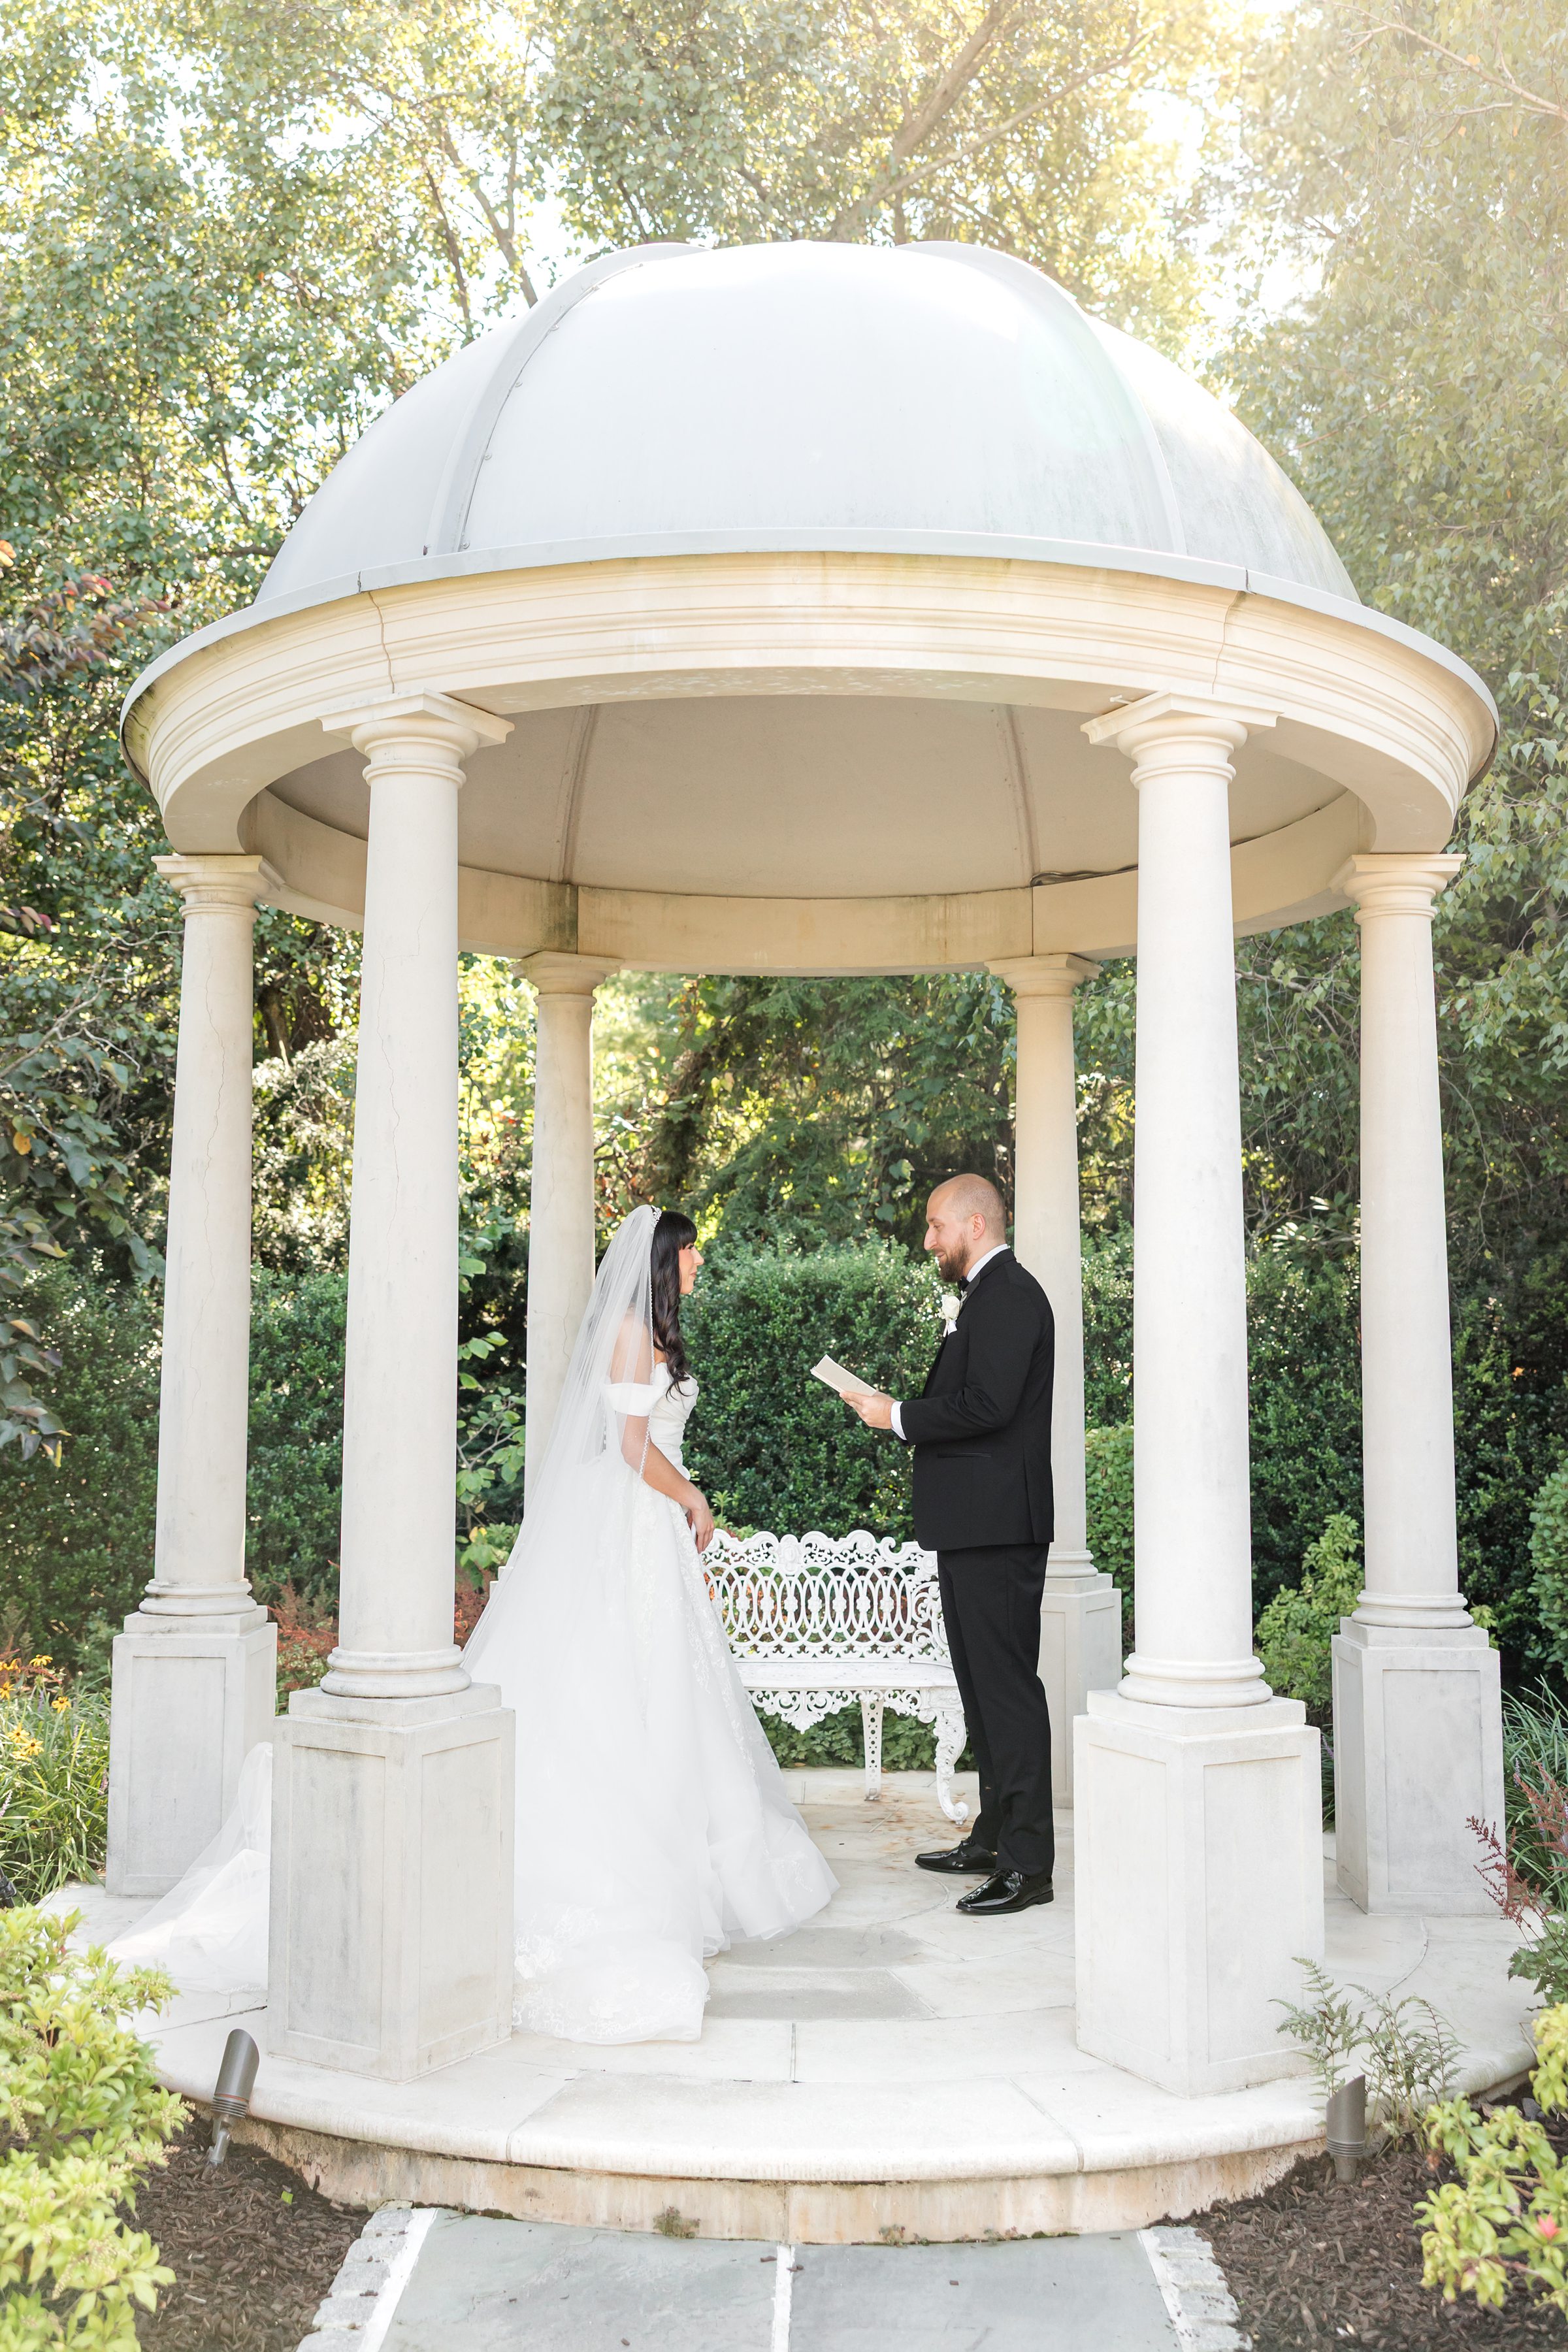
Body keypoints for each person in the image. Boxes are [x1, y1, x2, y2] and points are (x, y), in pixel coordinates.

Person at [112, 1205, 836, 2044]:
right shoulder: (635, 1330)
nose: (702, 1258)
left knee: (667, 1678)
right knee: (628, 1676)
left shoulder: (657, 1333)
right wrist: (696, 1500)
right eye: (692, 1247)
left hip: (646, 1526)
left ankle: (701, 1840)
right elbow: (635, 1447)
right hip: (635, 1517)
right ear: (665, 1259)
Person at [843, 1174, 1056, 1916]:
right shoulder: (987, 1297)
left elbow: (990, 1408)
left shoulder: (1010, 1296)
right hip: (975, 1525)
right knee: (981, 1690)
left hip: (999, 1527)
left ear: (974, 1222)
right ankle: (994, 1838)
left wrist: (895, 1416)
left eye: (936, 1227)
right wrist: (893, 1408)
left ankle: (1028, 1865)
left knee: (1008, 1692)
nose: (928, 1240)